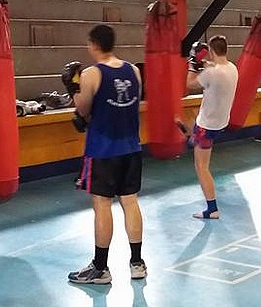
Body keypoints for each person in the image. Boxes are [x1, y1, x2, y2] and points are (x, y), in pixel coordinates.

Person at [64, 25, 146, 284]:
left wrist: (72, 88)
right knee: (130, 201)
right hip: (131, 146)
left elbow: (83, 108)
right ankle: (137, 262)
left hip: (103, 149)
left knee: (102, 205)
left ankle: (100, 268)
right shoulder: (133, 71)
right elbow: (134, 103)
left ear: (93, 44)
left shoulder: (91, 74)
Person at [185, 35, 239, 219]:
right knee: (194, 121)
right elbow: (213, 69)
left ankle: (212, 208)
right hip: (220, 122)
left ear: (212, 50)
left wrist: (193, 62)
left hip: (206, 126)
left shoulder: (211, 73)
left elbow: (189, 83)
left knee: (201, 167)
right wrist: (205, 63)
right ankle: (191, 136)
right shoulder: (232, 68)